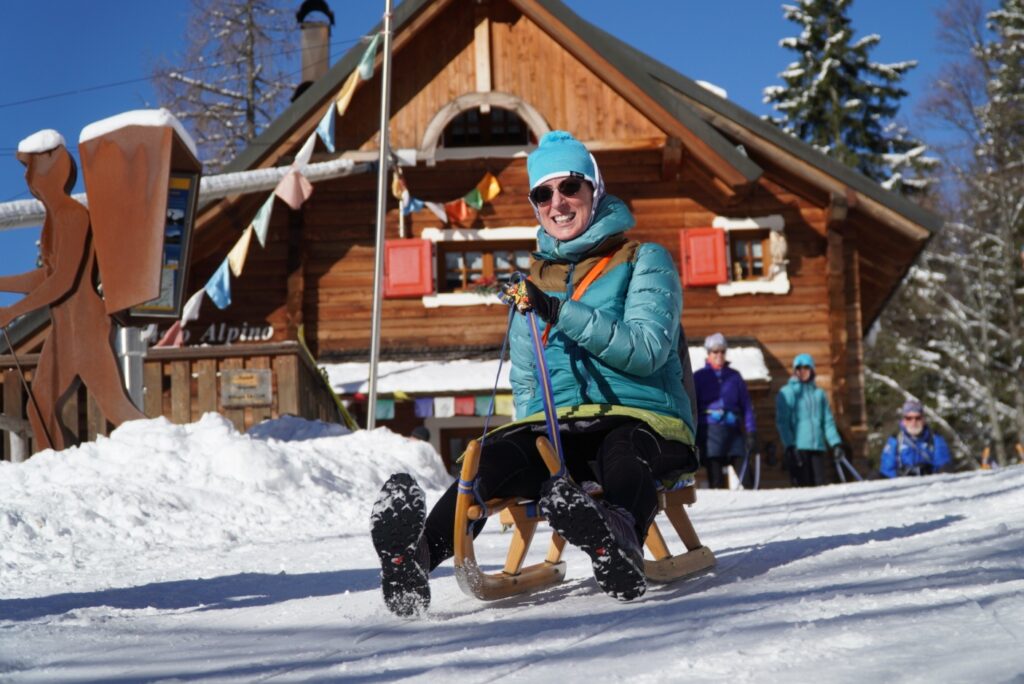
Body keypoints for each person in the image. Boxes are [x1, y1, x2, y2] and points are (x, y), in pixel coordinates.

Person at [369, 131, 698, 616]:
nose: (557, 203)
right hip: (561, 430)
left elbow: (647, 351)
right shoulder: (533, 283)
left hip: (647, 422)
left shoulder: (644, 259)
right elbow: (527, 382)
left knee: (621, 446)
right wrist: (529, 443)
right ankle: (413, 559)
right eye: (543, 194)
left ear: (595, 189)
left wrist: (558, 310)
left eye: (570, 187)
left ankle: (619, 538)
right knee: (490, 457)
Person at [0, 131, 144, 450]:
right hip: (66, 329)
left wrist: (13, 311)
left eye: (32, 166)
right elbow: (47, 277)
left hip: (85, 328)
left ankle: (171, 453)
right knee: (39, 405)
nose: (28, 176)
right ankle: (59, 470)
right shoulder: (54, 219)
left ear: (53, 167)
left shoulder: (72, 216)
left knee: (115, 408)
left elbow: (64, 280)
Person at [693, 333, 756, 489]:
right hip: (709, 431)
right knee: (716, 481)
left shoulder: (734, 376)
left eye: (722, 351)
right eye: (715, 352)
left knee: (747, 477)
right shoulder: (699, 377)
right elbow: (692, 406)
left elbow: (746, 405)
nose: (719, 355)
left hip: (733, 429)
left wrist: (751, 431)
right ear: (708, 354)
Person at [775, 353, 844, 486]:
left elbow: (827, 421)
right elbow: (783, 422)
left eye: (806, 368)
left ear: (812, 370)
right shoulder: (788, 393)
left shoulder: (819, 394)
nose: (803, 372)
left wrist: (835, 444)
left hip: (817, 447)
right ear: (795, 371)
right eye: (799, 368)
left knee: (819, 485)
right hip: (798, 448)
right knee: (803, 487)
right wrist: (789, 445)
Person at [878, 400, 951, 478]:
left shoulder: (935, 439)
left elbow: (943, 465)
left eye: (918, 418)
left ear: (923, 420)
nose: (913, 422)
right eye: (909, 418)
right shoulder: (895, 440)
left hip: (931, 483)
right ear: (903, 421)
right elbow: (887, 470)